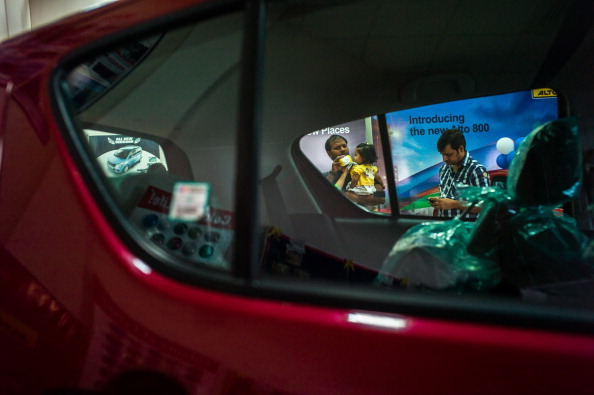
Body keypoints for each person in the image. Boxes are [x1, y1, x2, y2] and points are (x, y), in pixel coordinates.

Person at [429, 128, 489, 218]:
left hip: (467, 230)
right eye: (442, 154)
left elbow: (486, 206)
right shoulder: (443, 169)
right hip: (446, 228)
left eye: (448, 155)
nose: (444, 159)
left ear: (461, 149)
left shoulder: (476, 170)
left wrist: (454, 204)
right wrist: (439, 202)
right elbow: (447, 197)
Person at [323, 135, 385, 206]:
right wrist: (332, 173)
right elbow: (323, 196)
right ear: (329, 154)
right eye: (337, 148)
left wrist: (344, 195)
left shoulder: (364, 169)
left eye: (344, 146)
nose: (343, 149)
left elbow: (381, 198)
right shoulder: (326, 176)